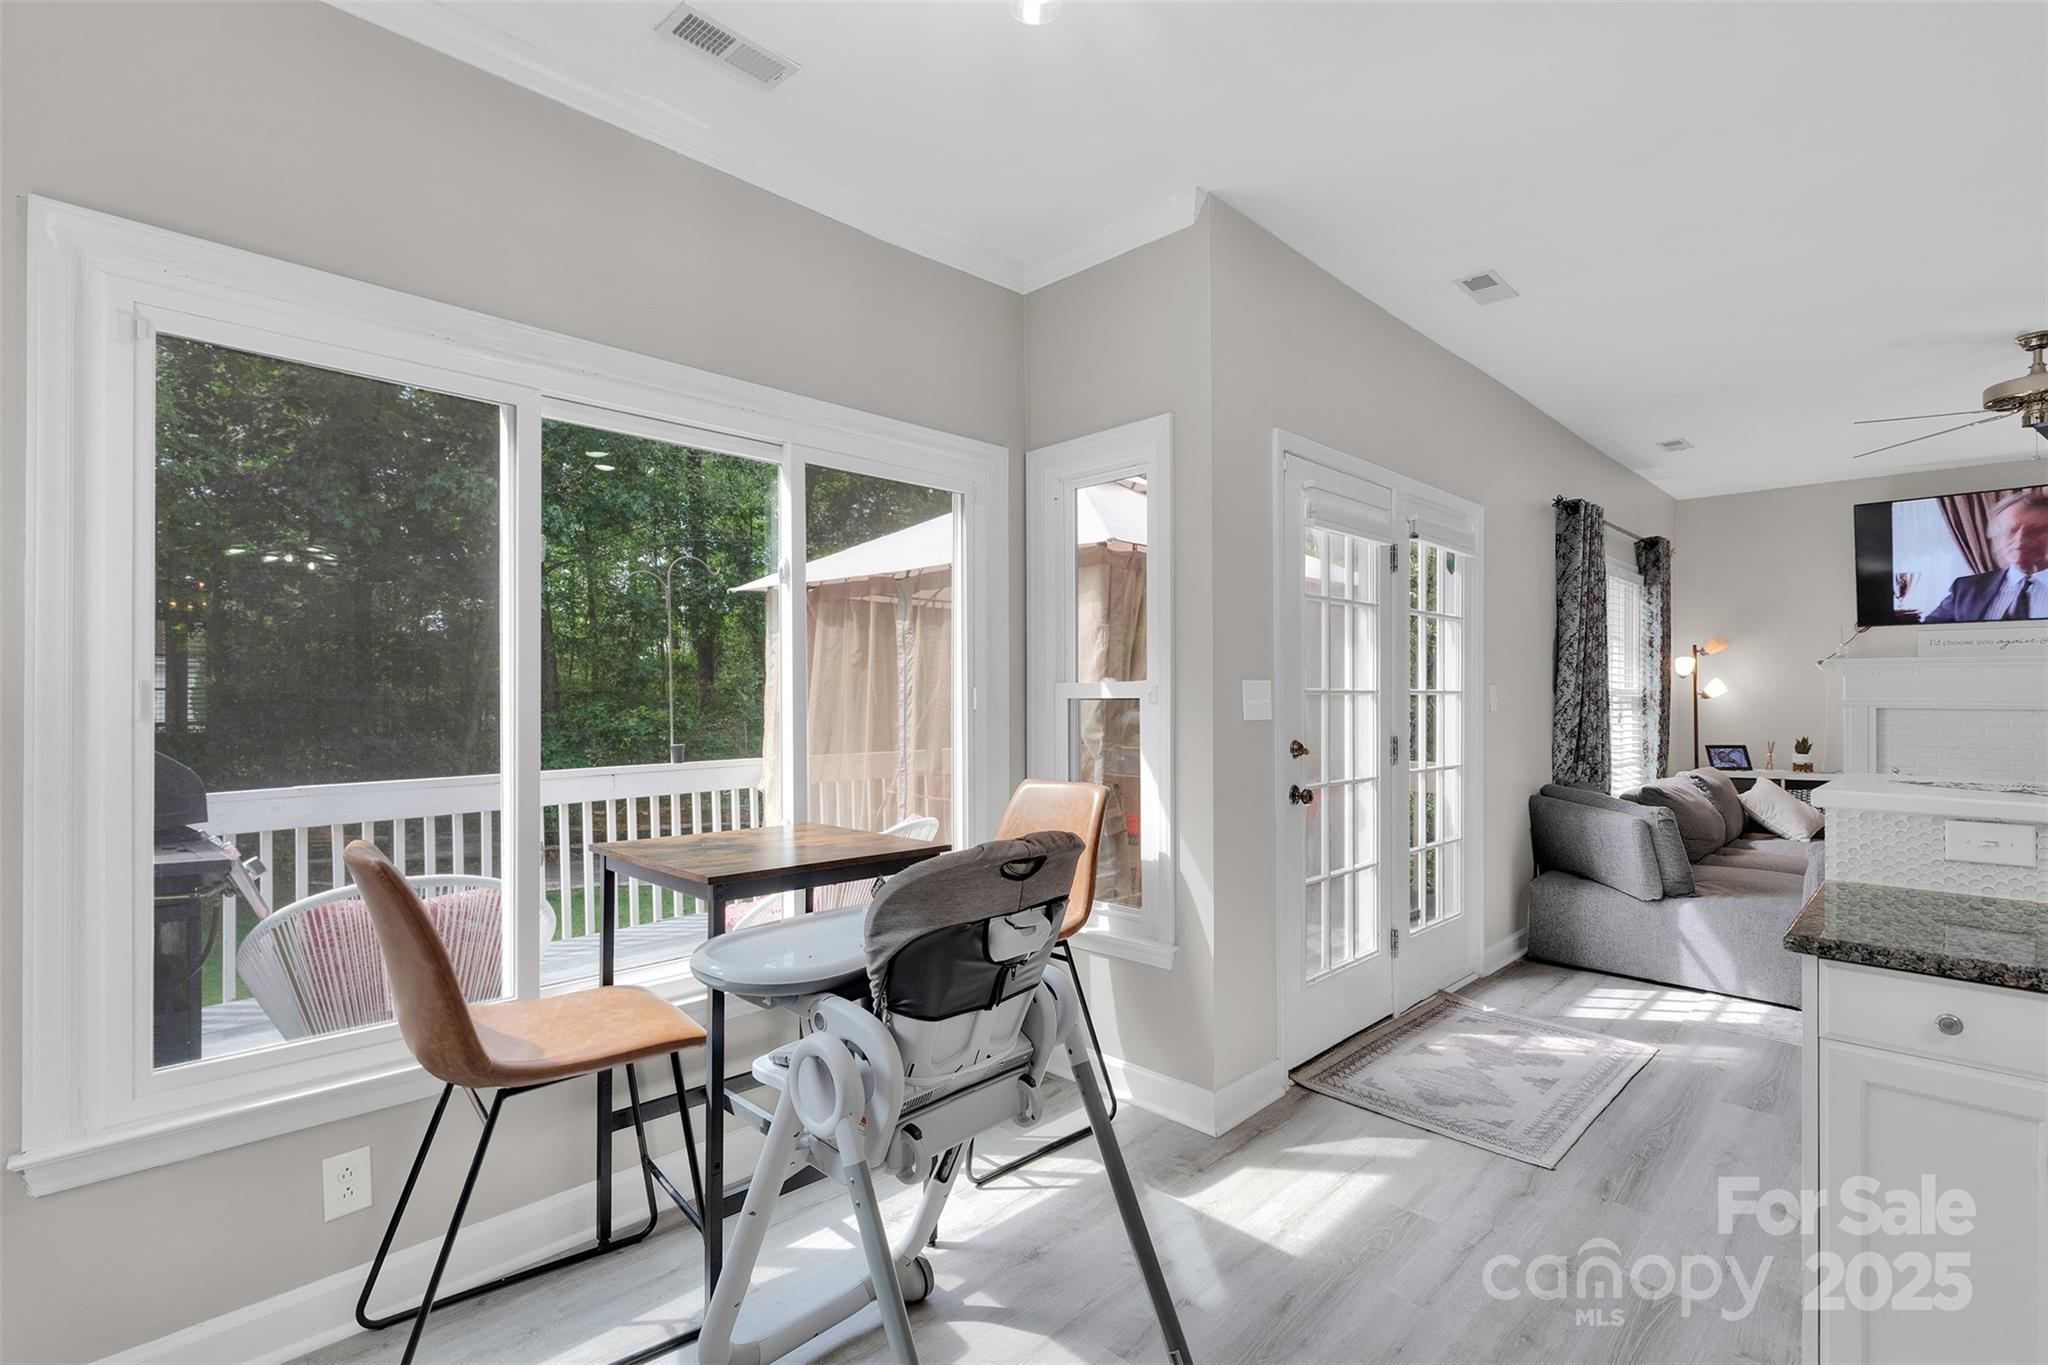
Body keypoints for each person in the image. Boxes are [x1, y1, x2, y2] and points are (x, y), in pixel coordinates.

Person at [1925, 490, 2048, 622]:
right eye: (2010, 530)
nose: (2020, 541)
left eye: (2037, 530)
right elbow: (1930, 632)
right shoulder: (1965, 588)